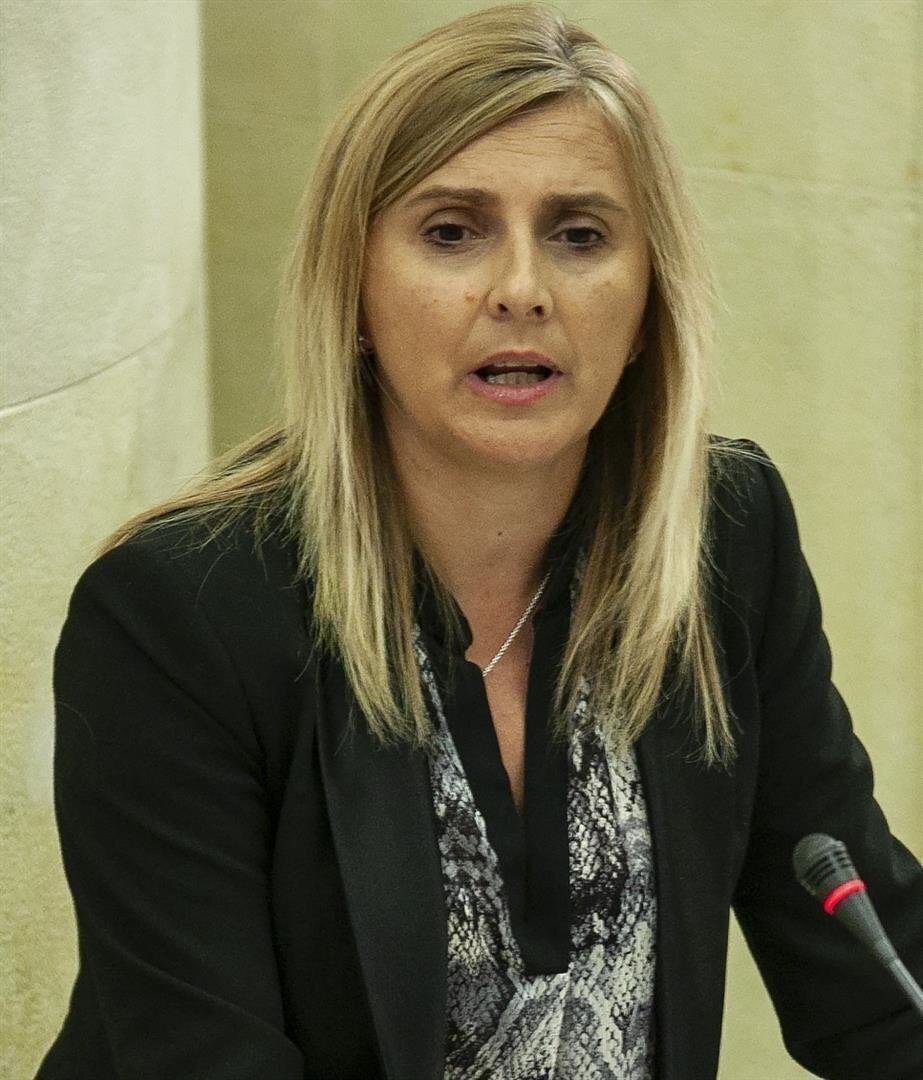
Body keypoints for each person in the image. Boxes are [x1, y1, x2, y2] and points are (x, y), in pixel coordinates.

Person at [36, 3, 922, 1079]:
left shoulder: (720, 537)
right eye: (451, 232)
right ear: (353, 290)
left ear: (649, 298)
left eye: (578, 234)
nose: (521, 291)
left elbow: (868, 977)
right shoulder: (179, 614)